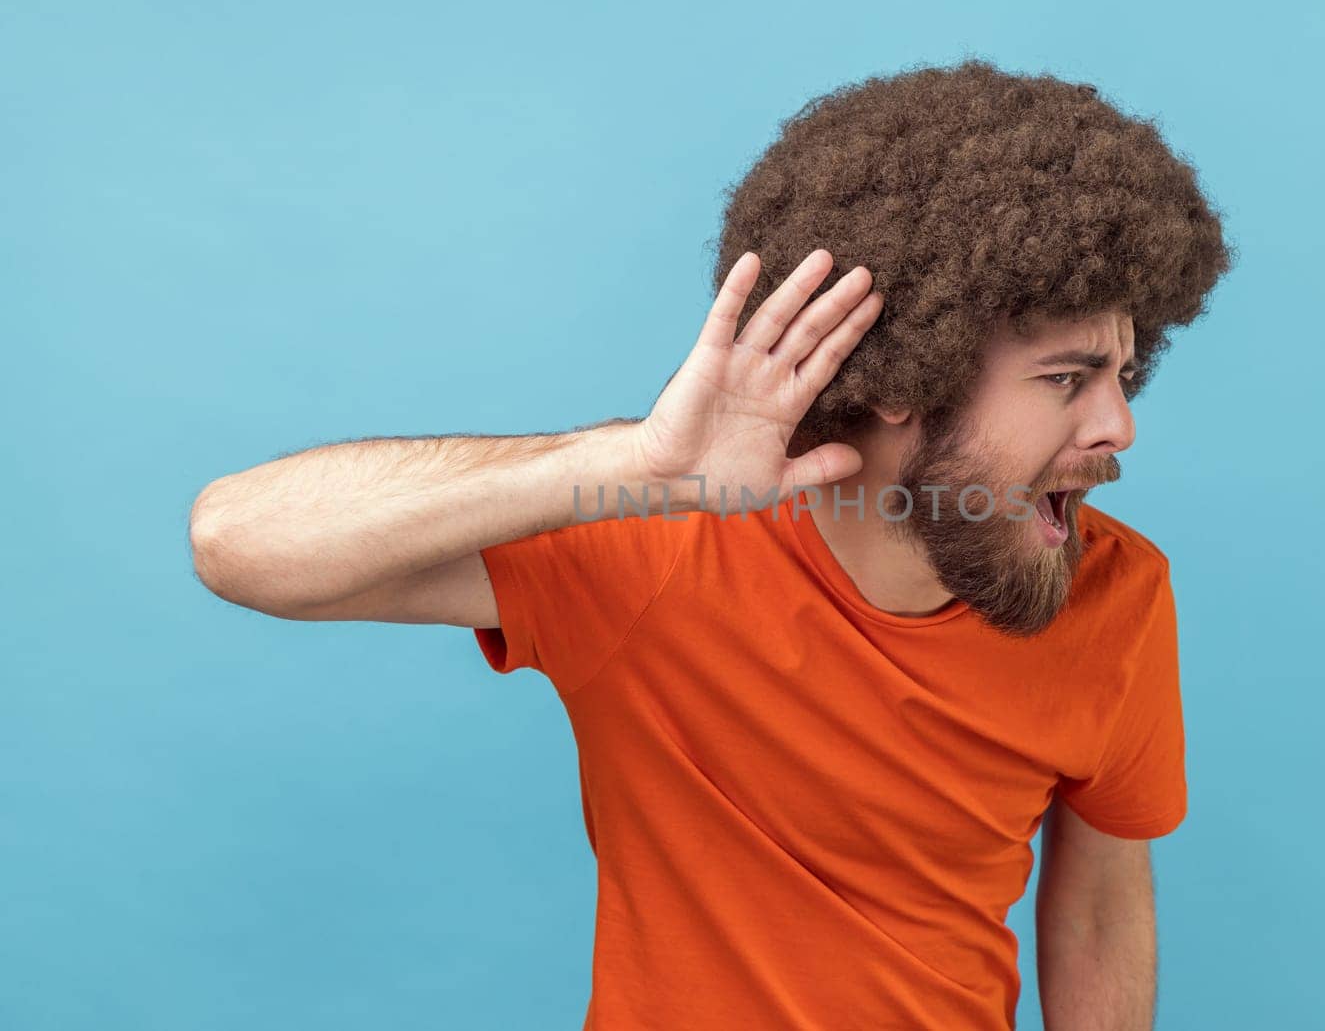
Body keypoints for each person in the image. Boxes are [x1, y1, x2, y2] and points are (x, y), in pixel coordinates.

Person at [189, 58, 1233, 1030]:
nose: (1118, 427)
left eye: (1121, 375)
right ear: (909, 380)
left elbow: (1098, 900)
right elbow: (238, 540)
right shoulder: (659, 551)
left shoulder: (1118, 591)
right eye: (1065, 380)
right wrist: (633, 467)